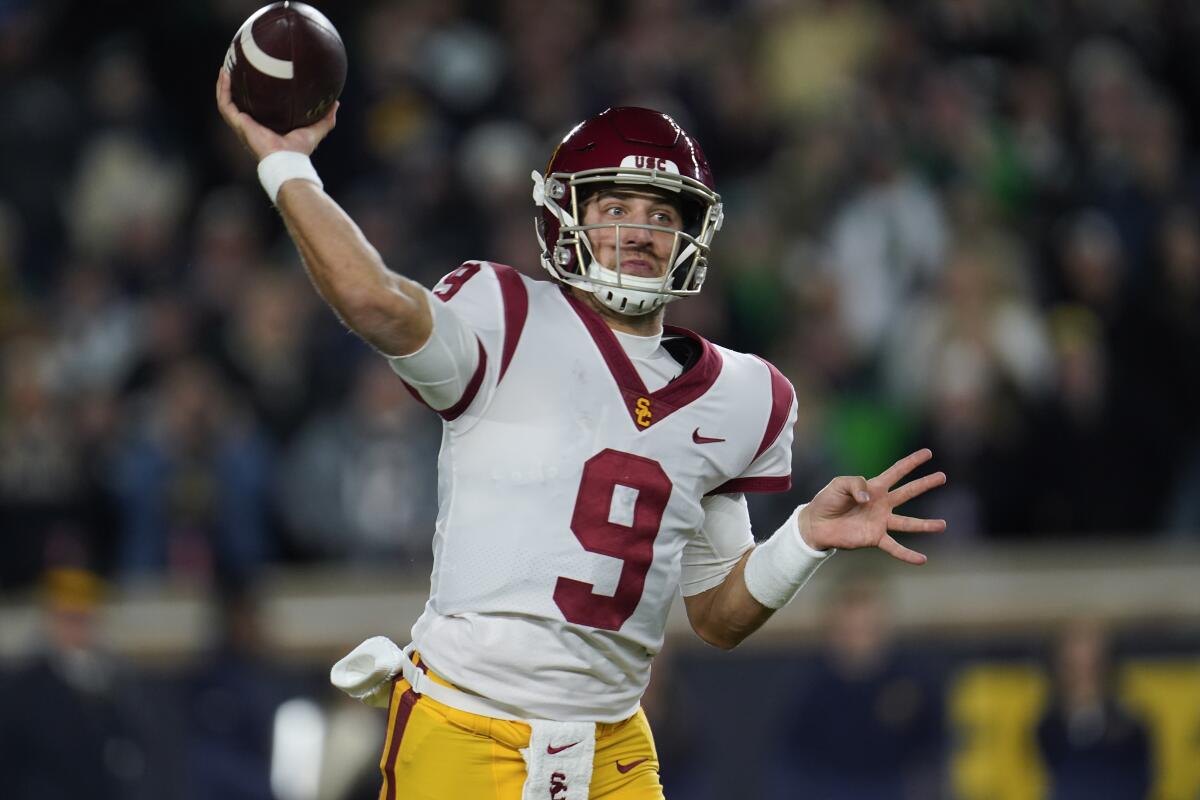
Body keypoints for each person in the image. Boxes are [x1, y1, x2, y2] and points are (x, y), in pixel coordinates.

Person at [215, 66, 948, 800]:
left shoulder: (742, 396)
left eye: (662, 214)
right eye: (616, 206)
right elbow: (372, 300)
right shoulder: (503, 315)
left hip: (612, 745)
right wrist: (285, 163)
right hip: (467, 724)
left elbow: (717, 618)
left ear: (692, 232)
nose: (640, 231)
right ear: (565, 216)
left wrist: (802, 541)